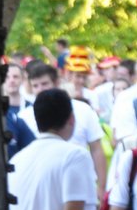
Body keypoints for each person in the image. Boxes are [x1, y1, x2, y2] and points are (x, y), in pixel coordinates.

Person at [21, 60, 108, 192]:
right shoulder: (24, 117)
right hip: (43, 187)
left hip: (81, 183)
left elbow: (96, 149)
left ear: (56, 83)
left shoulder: (82, 109)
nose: (40, 89)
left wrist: (102, 188)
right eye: (35, 86)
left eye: (44, 84)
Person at [1, 60, 35, 158]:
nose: (11, 80)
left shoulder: (32, 108)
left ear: (22, 79)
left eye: (15, 77)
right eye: (7, 77)